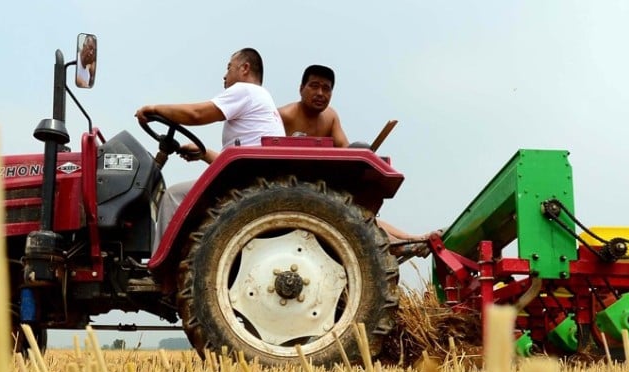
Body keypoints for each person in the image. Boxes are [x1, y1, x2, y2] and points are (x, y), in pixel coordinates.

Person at [135, 48, 285, 252]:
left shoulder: (245, 90)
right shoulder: (262, 99)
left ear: (244, 68)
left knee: (172, 196)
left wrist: (154, 109)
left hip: (246, 185)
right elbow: (236, 164)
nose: (225, 75)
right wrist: (203, 153)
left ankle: (159, 271)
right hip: (251, 180)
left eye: (229, 67)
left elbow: (197, 114)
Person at [278, 64, 434, 250]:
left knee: (360, 214)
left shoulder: (330, 117)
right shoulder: (284, 116)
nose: (320, 93)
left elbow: (346, 152)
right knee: (350, 214)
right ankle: (404, 244)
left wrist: (363, 153)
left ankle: (411, 240)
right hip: (290, 192)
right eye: (314, 86)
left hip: (322, 189)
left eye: (326, 88)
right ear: (301, 89)